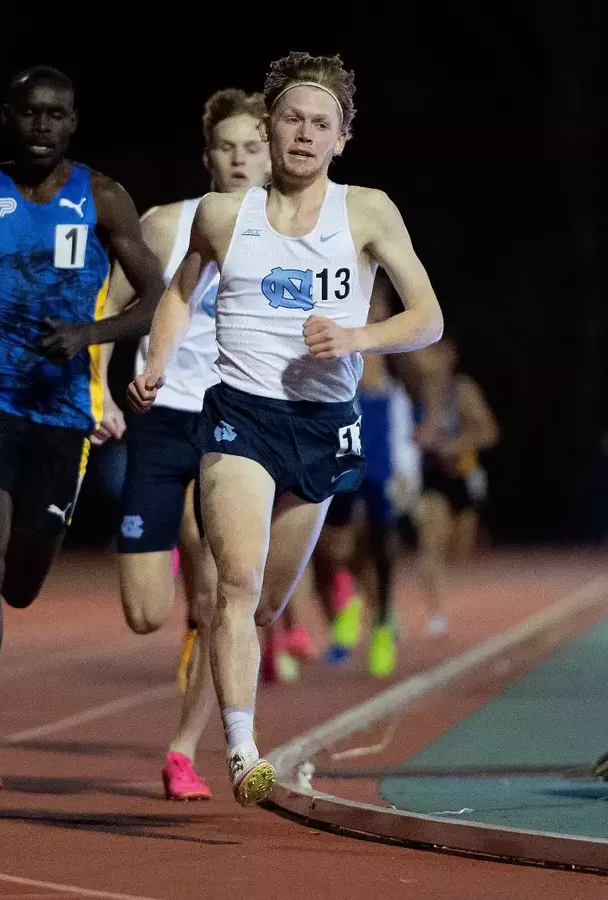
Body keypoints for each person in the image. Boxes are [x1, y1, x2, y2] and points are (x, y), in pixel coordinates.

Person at [128, 51, 444, 806]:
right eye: (292, 119)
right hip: (237, 414)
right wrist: (160, 363)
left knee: (265, 604)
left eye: (320, 124)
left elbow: (427, 319)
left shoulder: (367, 211)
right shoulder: (222, 215)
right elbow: (178, 293)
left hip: (324, 424)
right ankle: (242, 749)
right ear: (269, 128)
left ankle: (226, 706)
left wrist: (356, 339)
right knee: (232, 584)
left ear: (342, 139)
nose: (303, 134)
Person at [0, 65, 166, 803]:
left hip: (65, 413)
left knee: (21, 579)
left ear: (74, 123)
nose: (43, 126)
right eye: (30, 113)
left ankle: (23, 576)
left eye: (57, 114)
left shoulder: (104, 197)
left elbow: (155, 296)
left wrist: (91, 332)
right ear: (8, 118)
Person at [102, 87, 271, 801]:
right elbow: (111, 303)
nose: (240, 158)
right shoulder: (168, 224)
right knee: (145, 612)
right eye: (227, 147)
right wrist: (101, 390)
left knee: (221, 597)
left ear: (269, 156)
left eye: (252, 147)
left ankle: (184, 749)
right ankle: (181, 574)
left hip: (229, 425)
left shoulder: (289, 232)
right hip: (159, 418)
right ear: (208, 157)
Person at [313, 273, 402, 676]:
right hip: (342, 425)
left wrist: (409, 458)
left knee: (381, 540)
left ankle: (382, 622)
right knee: (333, 544)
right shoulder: (338, 317)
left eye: (376, 306)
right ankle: (349, 598)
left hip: (378, 429)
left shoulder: (389, 341)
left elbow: (423, 385)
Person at [408, 339, 498, 636]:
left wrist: (455, 446)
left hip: (462, 475)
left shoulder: (461, 390)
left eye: (431, 352)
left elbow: (489, 432)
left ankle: (443, 595)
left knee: (458, 550)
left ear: (448, 356)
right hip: (430, 477)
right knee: (430, 542)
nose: (423, 358)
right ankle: (436, 614)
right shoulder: (412, 392)